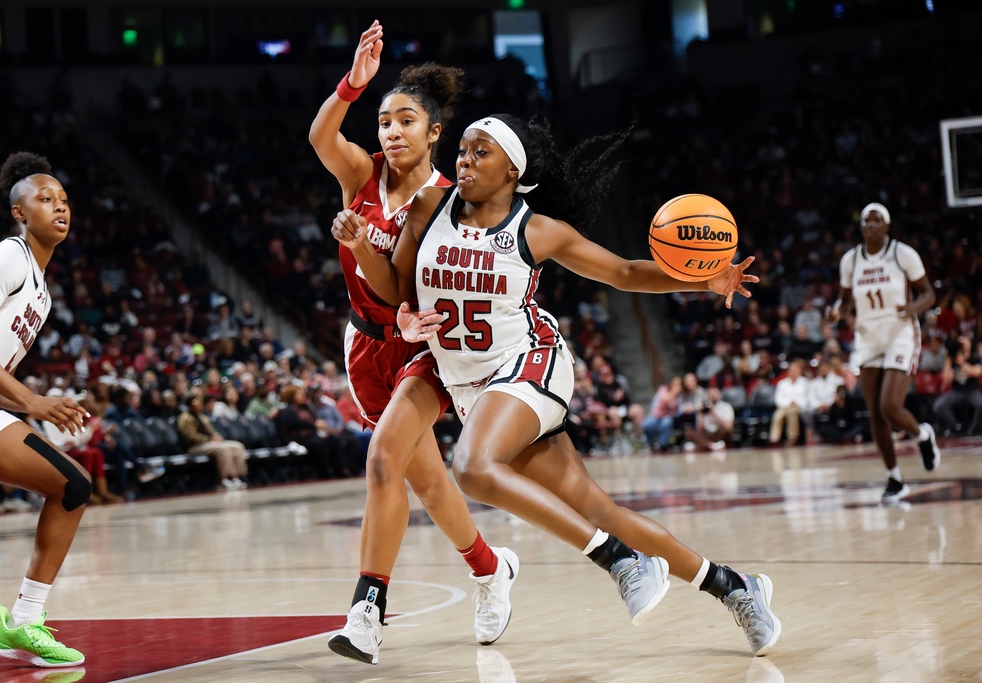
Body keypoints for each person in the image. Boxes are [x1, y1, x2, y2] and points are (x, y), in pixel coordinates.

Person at [334, 112, 781, 656]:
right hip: (458, 374)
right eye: (464, 151)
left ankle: (619, 562)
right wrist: (362, 251)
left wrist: (701, 278)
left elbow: (623, 273)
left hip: (527, 361)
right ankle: (737, 588)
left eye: (481, 153)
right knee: (598, 510)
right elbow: (397, 287)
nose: (465, 160)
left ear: (512, 171)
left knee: (472, 467)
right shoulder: (429, 208)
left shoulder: (536, 230)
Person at [310, 21, 516, 664]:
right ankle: (489, 568)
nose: (392, 131)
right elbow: (320, 135)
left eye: (406, 121)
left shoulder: (446, 201)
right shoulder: (360, 174)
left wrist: (385, 284)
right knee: (425, 481)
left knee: (382, 465)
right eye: (384, 121)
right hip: (367, 346)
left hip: (424, 348)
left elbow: (408, 281)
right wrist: (352, 84)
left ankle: (367, 611)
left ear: (434, 134)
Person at [0, 152, 92, 667]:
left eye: (63, 201)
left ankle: (22, 622)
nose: (59, 208)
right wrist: (32, 401)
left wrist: (31, 407)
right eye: (45, 199)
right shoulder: (9, 257)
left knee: (73, 486)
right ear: (19, 212)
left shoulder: (42, 294)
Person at [829, 203, 940, 504]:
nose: (870, 225)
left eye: (877, 221)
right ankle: (895, 478)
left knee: (890, 406)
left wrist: (913, 308)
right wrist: (836, 313)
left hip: (900, 333)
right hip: (867, 337)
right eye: (866, 221)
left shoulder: (902, 254)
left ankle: (923, 435)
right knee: (875, 414)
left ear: (887, 226)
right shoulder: (851, 260)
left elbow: (929, 293)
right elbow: (845, 303)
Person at [176, 391, 248, 489]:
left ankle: (236, 477)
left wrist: (218, 438)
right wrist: (210, 439)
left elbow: (212, 431)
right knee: (222, 449)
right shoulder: (185, 418)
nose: (201, 404)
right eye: (198, 402)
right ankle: (224, 480)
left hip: (209, 443)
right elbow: (191, 437)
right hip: (194, 446)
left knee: (237, 446)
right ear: (191, 403)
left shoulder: (201, 416)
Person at [932, 335, 982, 436]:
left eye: (966, 342)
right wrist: (949, 359)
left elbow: (977, 372)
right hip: (956, 391)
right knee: (939, 406)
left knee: (980, 404)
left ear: (970, 344)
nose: (964, 345)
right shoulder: (952, 360)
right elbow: (946, 380)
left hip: (971, 390)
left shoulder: (974, 357)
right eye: (961, 343)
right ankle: (956, 426)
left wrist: (962, 363)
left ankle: (974, 429)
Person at [767, 360, 808, 447]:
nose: (793, 373)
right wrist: (789, 403)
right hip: (784, 406)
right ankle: (774, 438)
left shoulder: (805, 383)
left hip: (798, 406)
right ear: (788, 372)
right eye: (792, 371)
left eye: (795, 371)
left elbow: (807, 397)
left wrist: (796, 403)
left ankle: (792, 438)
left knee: (792, 413)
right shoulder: (782, 383)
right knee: (777, 415)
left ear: (799, 371)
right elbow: (778, 399)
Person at [683, 386, 735, 452]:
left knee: (727, 431)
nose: (713, 395)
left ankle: (705, 445)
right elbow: (700, 430)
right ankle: (711, 446)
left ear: (719, 393)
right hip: (707, 435)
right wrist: (700, 415)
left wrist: (713, 413)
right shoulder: (704, 407)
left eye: (715, 392)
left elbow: (729, 427)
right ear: (707, 395)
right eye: (711, 393)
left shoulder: (726, 406)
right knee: (689, 432)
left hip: (720, 434)